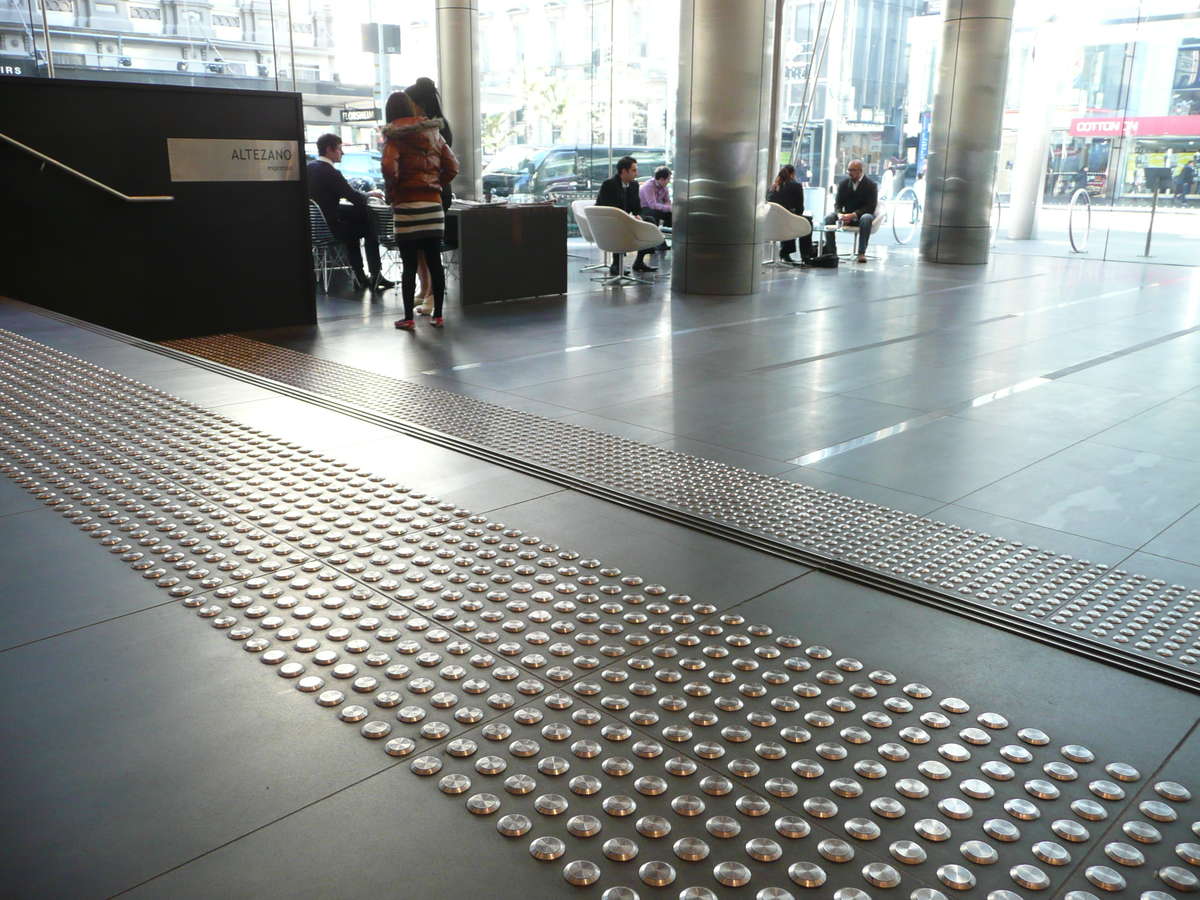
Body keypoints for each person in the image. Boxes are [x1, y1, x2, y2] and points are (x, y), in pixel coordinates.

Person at [381, 91, 459, 330]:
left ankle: (408, 318)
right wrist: (434, 183)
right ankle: (438, 315)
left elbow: (388, 166)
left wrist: (396, 187)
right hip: (433, 206)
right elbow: (453, 166)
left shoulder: (394, 136)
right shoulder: (434, 133)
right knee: (435, 261)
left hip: (406, 206)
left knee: (410, 264)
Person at [307, 133, 394, 291]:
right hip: (333, 229)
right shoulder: (331, 172)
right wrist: (370, 194)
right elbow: (354, 197)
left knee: (355, 226)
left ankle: (360, 277)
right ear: (329, 149)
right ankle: (375, 274)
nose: (343, 153)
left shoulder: (310, 168)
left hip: (316, 229)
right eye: (340, 149)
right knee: (369, 227)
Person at [404, 77, 454, 316]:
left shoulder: (435, 128)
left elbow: (448, 166)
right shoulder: (433, 126)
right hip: (431, 193)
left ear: (418, 104)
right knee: (421, 248)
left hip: (433, 195)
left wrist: (433, 184)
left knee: (429, 247)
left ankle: (433, 294)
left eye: (410, 102)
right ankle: (425, 291)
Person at [596, 156, 655, 275]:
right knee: (619, 224)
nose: (636, 173)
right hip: (608, 220)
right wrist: (628, 217)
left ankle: (639, 262)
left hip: (624, 219)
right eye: (633, 170)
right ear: (623, 171)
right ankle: (616, 263)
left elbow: (636, 208)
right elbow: (608, 208)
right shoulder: (609, 184)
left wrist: (639, 216)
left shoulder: (634, 185)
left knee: (650, 220)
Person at [823, 159, 878, 263]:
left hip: (861, 216)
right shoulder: (843, 184)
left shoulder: (871, 185)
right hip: (846, 215)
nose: (849, 172)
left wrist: (853, 215)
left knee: (866, 218)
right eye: (848, 170)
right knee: (828, 218)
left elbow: (870, 207)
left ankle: (861, 253)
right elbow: (837, 204)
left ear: (860, 171)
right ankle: (831, 253)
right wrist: (840, 214)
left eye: (852, 170)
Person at [766, 164, 815, 265]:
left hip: (771, 224)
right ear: (792, 174)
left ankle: (785, 251)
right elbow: (800, 208)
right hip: (787, 223)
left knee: (787, 218)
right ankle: (805, 255)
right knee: (806, 221)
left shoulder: (772, 188)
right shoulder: (796, 186)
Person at [639, 166, 672, 251]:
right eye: (668, 179)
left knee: (673, 214)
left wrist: (670, 208)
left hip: (655, 208)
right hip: (643, 208)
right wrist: (669, 208)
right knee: (654, 215)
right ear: (661, 179)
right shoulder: (649, 186)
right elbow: (652, 205)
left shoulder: (664, 187)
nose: (669, 181)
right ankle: (660, 242)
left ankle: (667, 234)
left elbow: (667, 201)